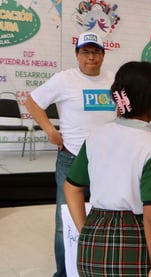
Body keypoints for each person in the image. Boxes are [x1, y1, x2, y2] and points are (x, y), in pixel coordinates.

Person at [63, 61, 151, 276]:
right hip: (132, 238)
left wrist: (86, 231)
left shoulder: (95, 136)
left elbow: (71, 188)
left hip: (92, 237)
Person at [25, 32, 116, 276]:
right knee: (64, 222)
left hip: (107, 163)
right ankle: (64, 273)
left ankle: (96, 269)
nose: (91, 57)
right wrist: (50, 131)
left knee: (103, 220)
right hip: (72, 160)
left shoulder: (114, 81)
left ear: (103, 55)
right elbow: (32, 101)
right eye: (86, 52)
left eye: (96, 52)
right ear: (77, 55)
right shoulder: (63, 79)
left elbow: (127, 111)